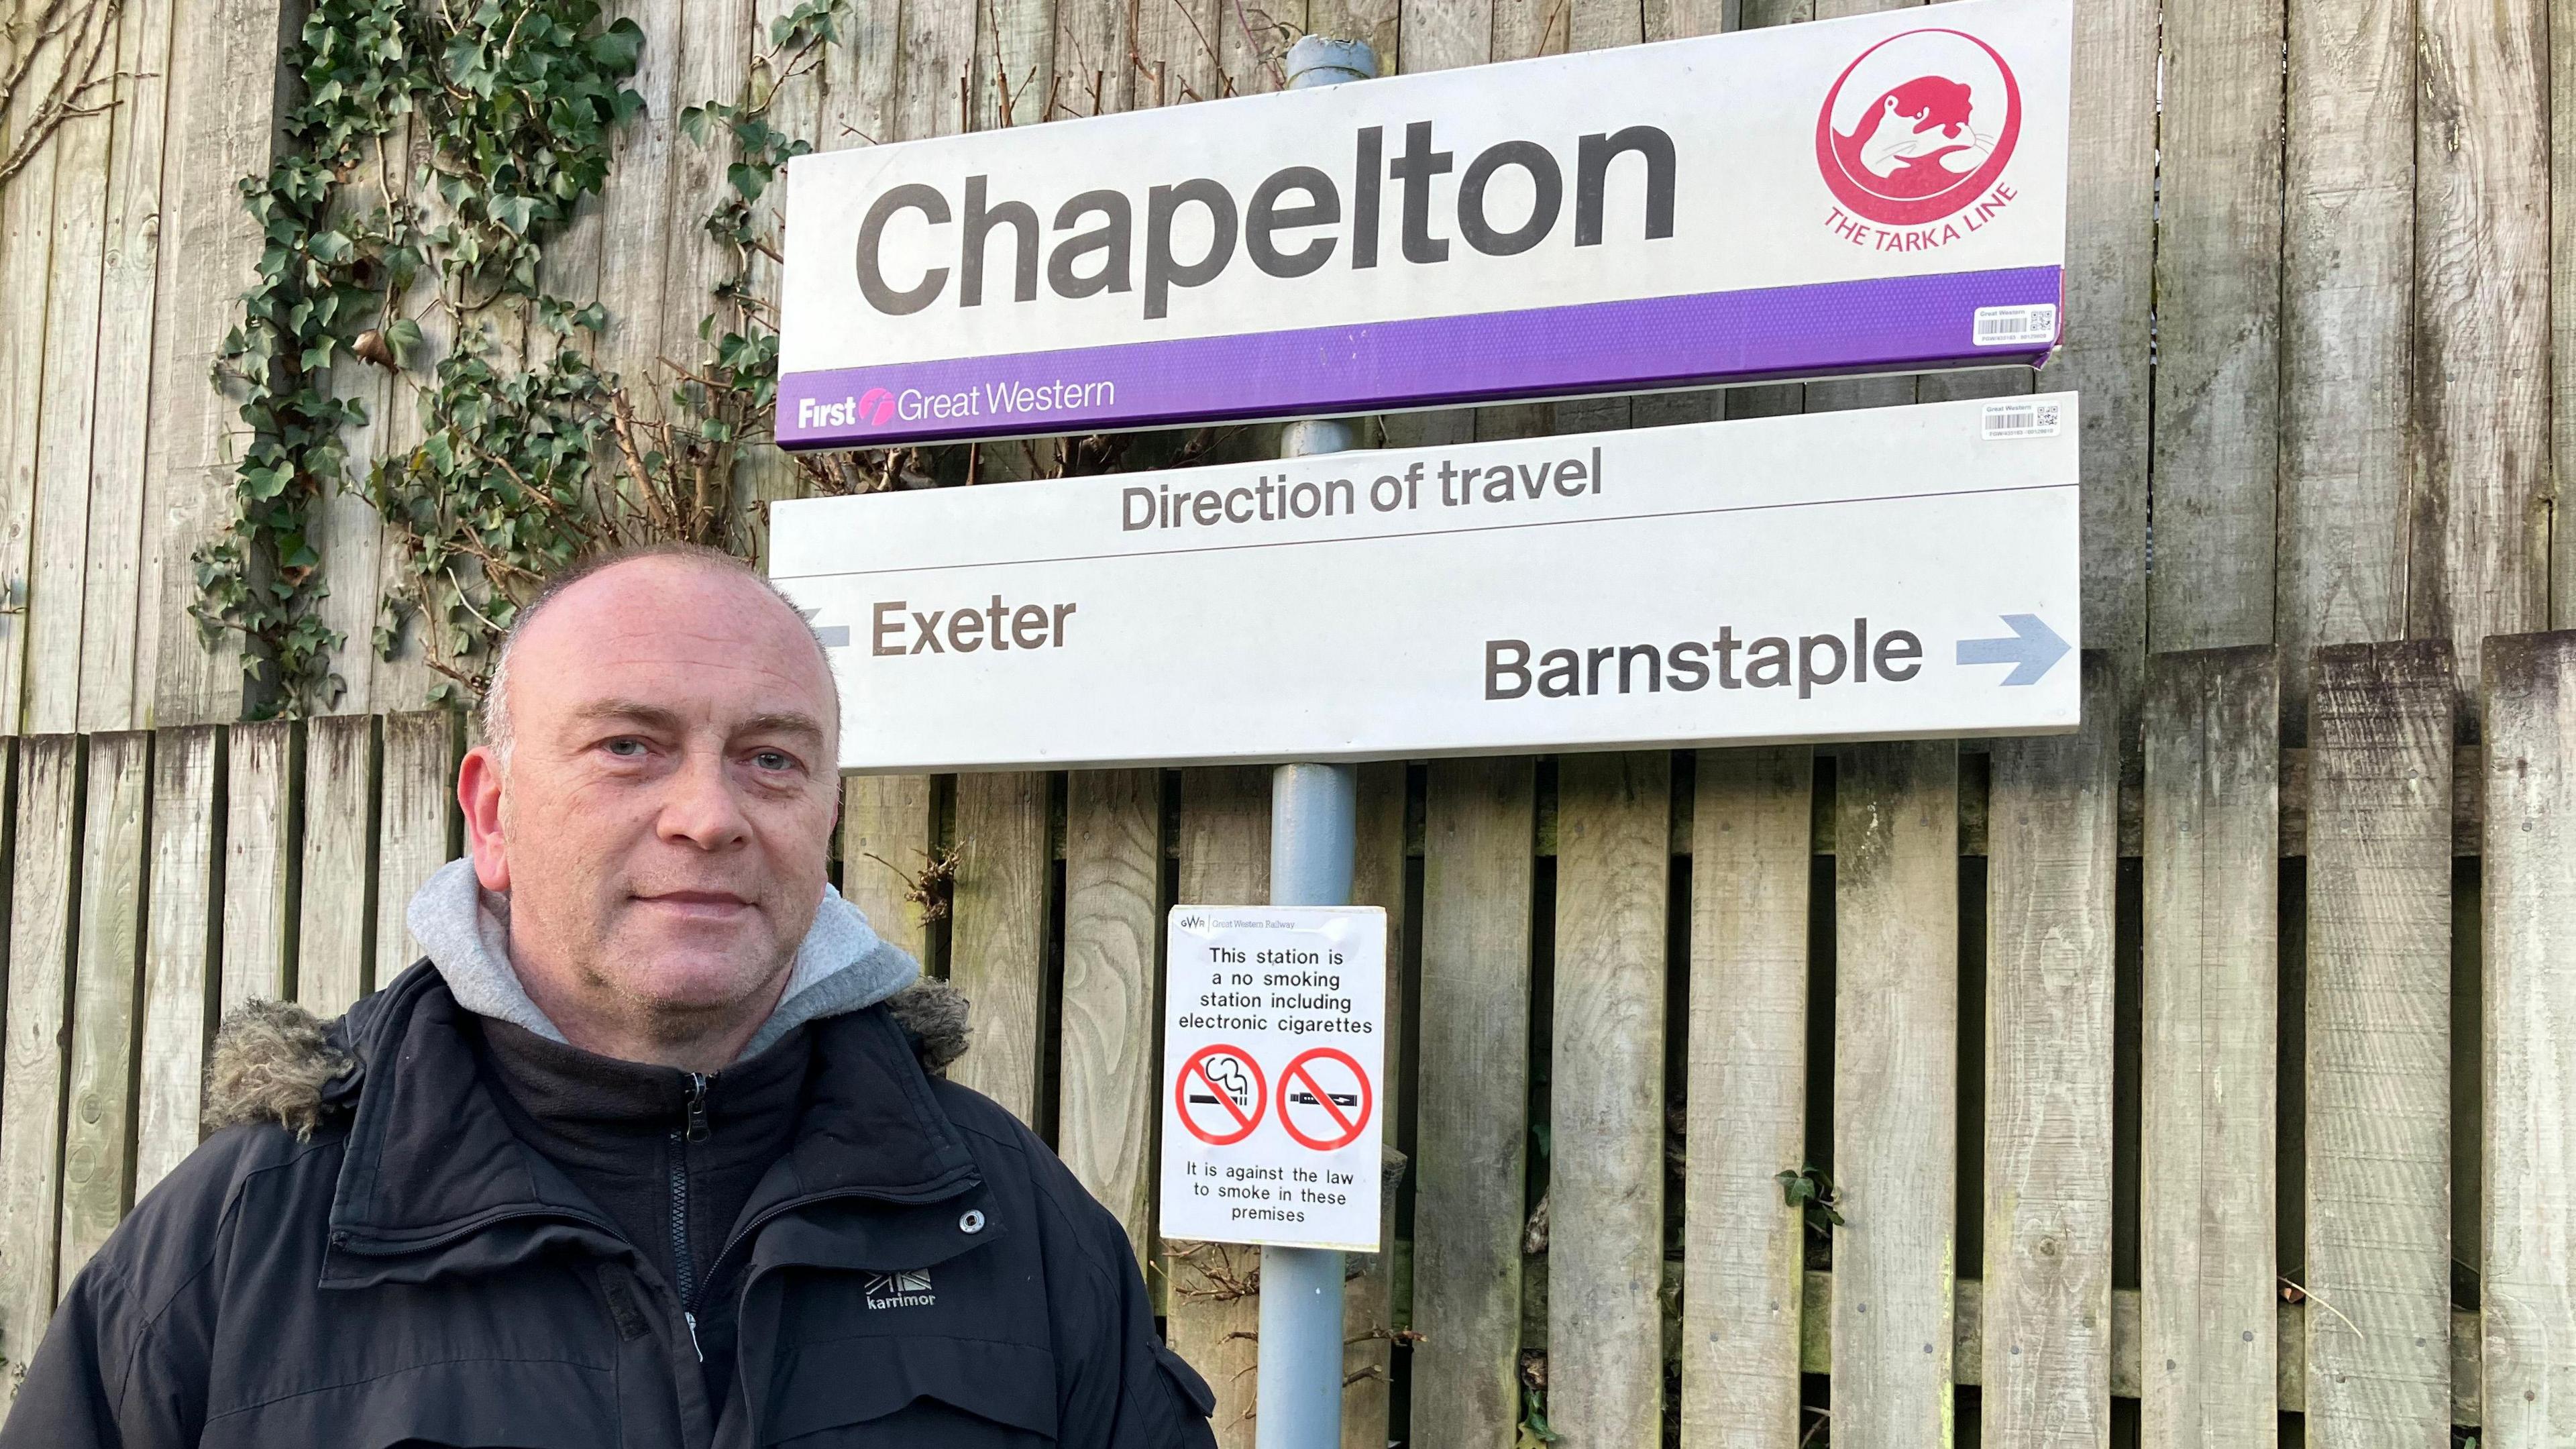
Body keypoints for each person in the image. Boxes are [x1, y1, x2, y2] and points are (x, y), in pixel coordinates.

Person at [3, 544, 1220, 1449]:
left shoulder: (1012, 1223)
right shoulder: (238, 1244)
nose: (709, 816)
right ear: (491, 815)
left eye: (772, 759)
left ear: (826, 818)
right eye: (629, 746)